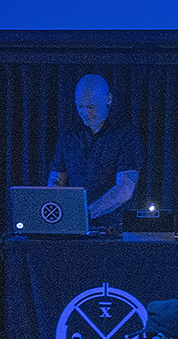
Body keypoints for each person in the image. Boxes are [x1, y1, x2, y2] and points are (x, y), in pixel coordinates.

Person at [48, 74, 143, 230]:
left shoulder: (126, 134)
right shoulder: (69, 135)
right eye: (80, 107)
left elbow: (125, 188)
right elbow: (57, 179)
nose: (85, 113)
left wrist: (87, 213)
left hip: (113, 228)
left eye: (91, 107)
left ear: (108, 99)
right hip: (74, 227)